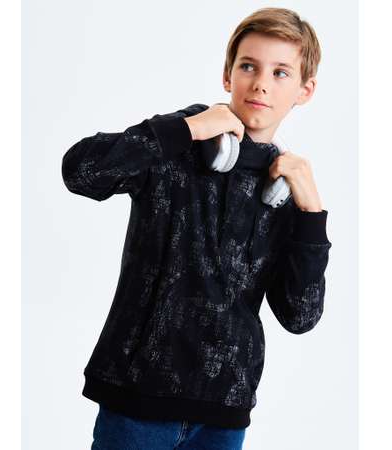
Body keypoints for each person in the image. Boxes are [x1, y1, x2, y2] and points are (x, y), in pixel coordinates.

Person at [61, 7, 332, 450]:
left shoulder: (284, 191)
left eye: (280, 72)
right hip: (137, 403)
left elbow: (300, 317)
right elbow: (80, 171)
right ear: (228, 74)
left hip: (223, 418)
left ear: (305, 90)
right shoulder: (175, 146)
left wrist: (312, 215)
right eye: (249, 66)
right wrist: (182, 129)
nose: (261, 83)